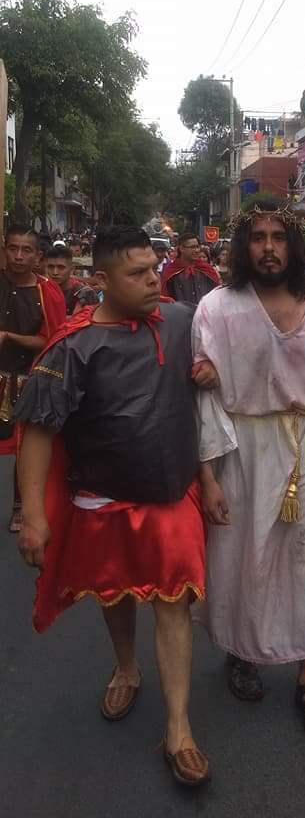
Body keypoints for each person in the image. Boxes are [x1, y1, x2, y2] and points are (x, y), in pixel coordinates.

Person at [15, 226, 210, 787]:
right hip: (102, 497)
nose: (153, 281)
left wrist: (212, 371)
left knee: (174, 604)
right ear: (101, 281)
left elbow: (218, 371)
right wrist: (35, 516)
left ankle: (178, 727)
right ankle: (126, 666)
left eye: (155, 269)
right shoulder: (74, 346)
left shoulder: (179, 322)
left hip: (172, 495)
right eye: (137, 274)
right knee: (115, 592)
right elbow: (39, 433)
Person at [192, 200, 305, 737]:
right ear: (244, 248)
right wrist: (210, 475)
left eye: (278, 238)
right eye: (258, 238)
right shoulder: (218, 308)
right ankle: (243, 651)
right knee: (247, 559)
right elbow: (207, 399)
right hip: (244, 450)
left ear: (294, 247)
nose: (268, 248)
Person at [0, 225, 66, 532]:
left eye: (26, 250)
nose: (18, 256)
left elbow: (50, 340)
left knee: (25, 446)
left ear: (37, 255)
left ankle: (19, 507)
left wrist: (8, 337)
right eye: (13, 248)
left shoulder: (47, 291)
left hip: (28, 377)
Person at [161, 232, 221, 306]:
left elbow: (216, 293)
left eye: (197, 247)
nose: (196, 250)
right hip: (180, 314)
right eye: (192, 247)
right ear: (182, 248)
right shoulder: (171, 271)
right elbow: (165, 297)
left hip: (205, 313)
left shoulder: (207, 269)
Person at [46, 244, 99, 315]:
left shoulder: (86, 294)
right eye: (51, 267)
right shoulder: (41, 292)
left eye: (61, 267)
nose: (55, 272)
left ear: (71, 269)